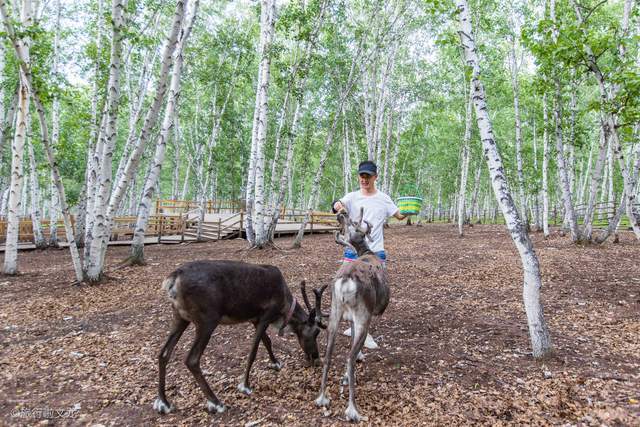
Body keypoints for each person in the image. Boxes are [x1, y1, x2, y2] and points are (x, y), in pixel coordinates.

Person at [332, 160, 409, 348]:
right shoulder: (352, 196)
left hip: (376, 252)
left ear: (375, 177)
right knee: (350, 290)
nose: (364, 179)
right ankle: (355, 326)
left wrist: (408, 212)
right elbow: (336, 203)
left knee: (373, 292)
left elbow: (398, 215)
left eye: (368, 176)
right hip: (353, 251)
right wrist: (339, 207)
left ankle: (364, 331)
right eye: (361, 176)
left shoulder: (383, 198)